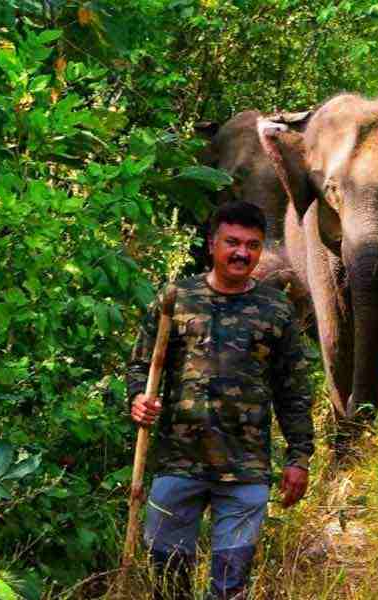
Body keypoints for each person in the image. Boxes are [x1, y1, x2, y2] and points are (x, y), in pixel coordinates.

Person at [126, 201, 313, 600]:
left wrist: (299, 457)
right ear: (212, 244)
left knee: (230, 584)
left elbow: (293, 389)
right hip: (179, 462)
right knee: (167, 579)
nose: (242, 253)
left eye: (253, 245)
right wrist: (139, 399)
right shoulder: (177, 298)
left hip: (245, 469)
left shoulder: (276, 309)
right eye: (232, 242)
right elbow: (141, 366)